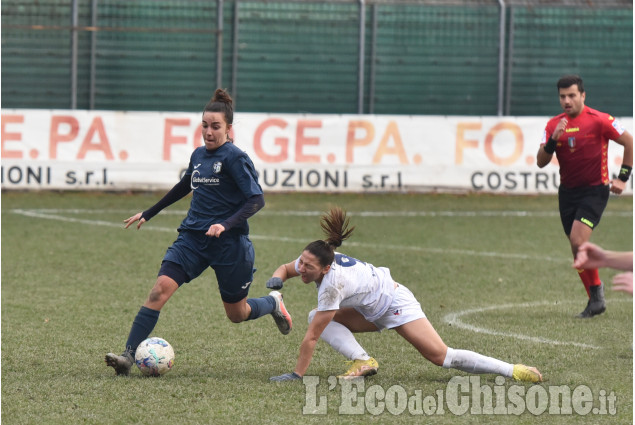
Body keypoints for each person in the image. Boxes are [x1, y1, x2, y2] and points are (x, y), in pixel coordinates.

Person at [105, 89, 292, 376]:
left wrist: (225, 224)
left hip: (230, 244)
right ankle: (127, 356)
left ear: (229, 130)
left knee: (237, 314)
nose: (208, 131)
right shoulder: (198, 155)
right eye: (205, 125)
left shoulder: (235, 158)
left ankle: (272, 303)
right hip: (192, 238)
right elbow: (185, 185)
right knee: (159, 290)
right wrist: (149, 212)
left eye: (215, 126)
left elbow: (257, 199)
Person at [267, 207, 542, 383]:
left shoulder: (332, 285)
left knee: (442, 357)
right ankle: (363, 361)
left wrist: (296, 375)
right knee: (316, 314)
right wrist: (276, 280)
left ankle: (512, 370)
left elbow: (312, 336)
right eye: (301, 262)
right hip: (370, 309)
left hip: (394, 303)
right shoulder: (318, 257)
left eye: (307, 266)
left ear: (326, 268)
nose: (301, 268)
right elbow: (284, 269)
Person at [536, 74, 633, 318]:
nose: (566, 100)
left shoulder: (600, 120)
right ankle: (595, 300)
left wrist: (623, 177)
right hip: (567, 193)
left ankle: (597, 294)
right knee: (576, 246)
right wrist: (552, 141)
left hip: (595, 191)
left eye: (571, 95)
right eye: (562, 96)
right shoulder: (553, 125)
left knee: (578, 241)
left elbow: (629, 142)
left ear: (582, 95)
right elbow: (540, 162)